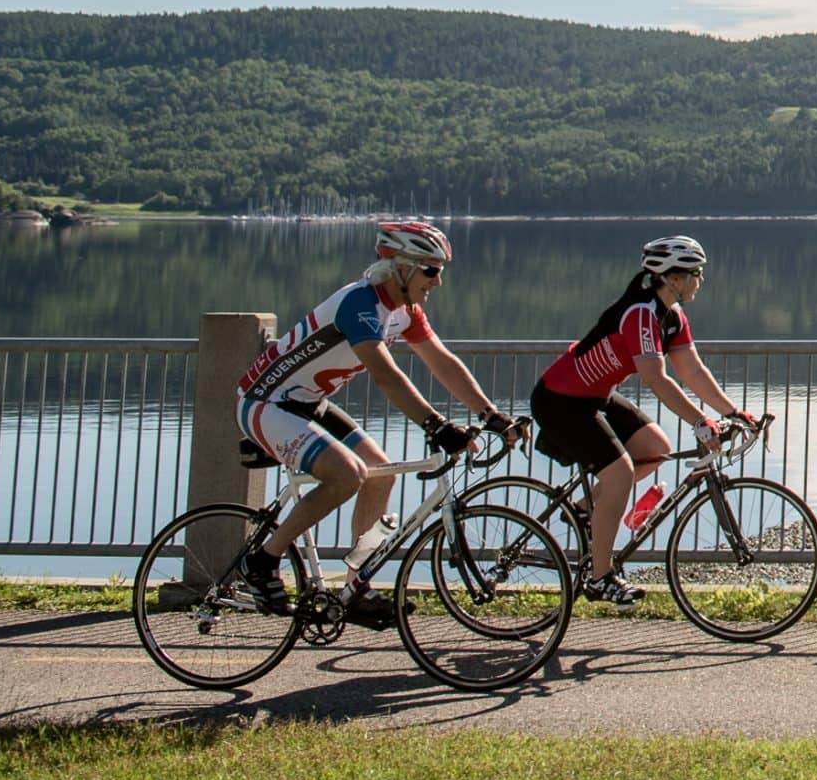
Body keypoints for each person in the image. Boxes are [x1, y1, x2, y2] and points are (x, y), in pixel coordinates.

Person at [234, 220, 515, 624]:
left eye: (441, 270)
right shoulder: (359, 304)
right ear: (401, 267)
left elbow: (443, 364)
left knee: (380, 475)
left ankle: (354, 588)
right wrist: (436, 426)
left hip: (309, 402)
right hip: (265, 401)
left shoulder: (406, 312)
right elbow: (387, 376)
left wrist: (491, 416)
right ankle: (263, 560)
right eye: (431, 270)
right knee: (348, 475)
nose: (438, 282)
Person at [531, 235, 754, 606]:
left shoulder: (672, 317)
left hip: (594, 397)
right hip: (561, 401)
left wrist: (731, 411)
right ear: (674, 278)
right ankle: (601, 577)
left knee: (655, 449)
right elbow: (655, 377)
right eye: (696, 273)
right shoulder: (639, 313)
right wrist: (700, 421)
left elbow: (692, 371)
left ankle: (586, 509)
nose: (700, 280)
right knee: (618, 474)